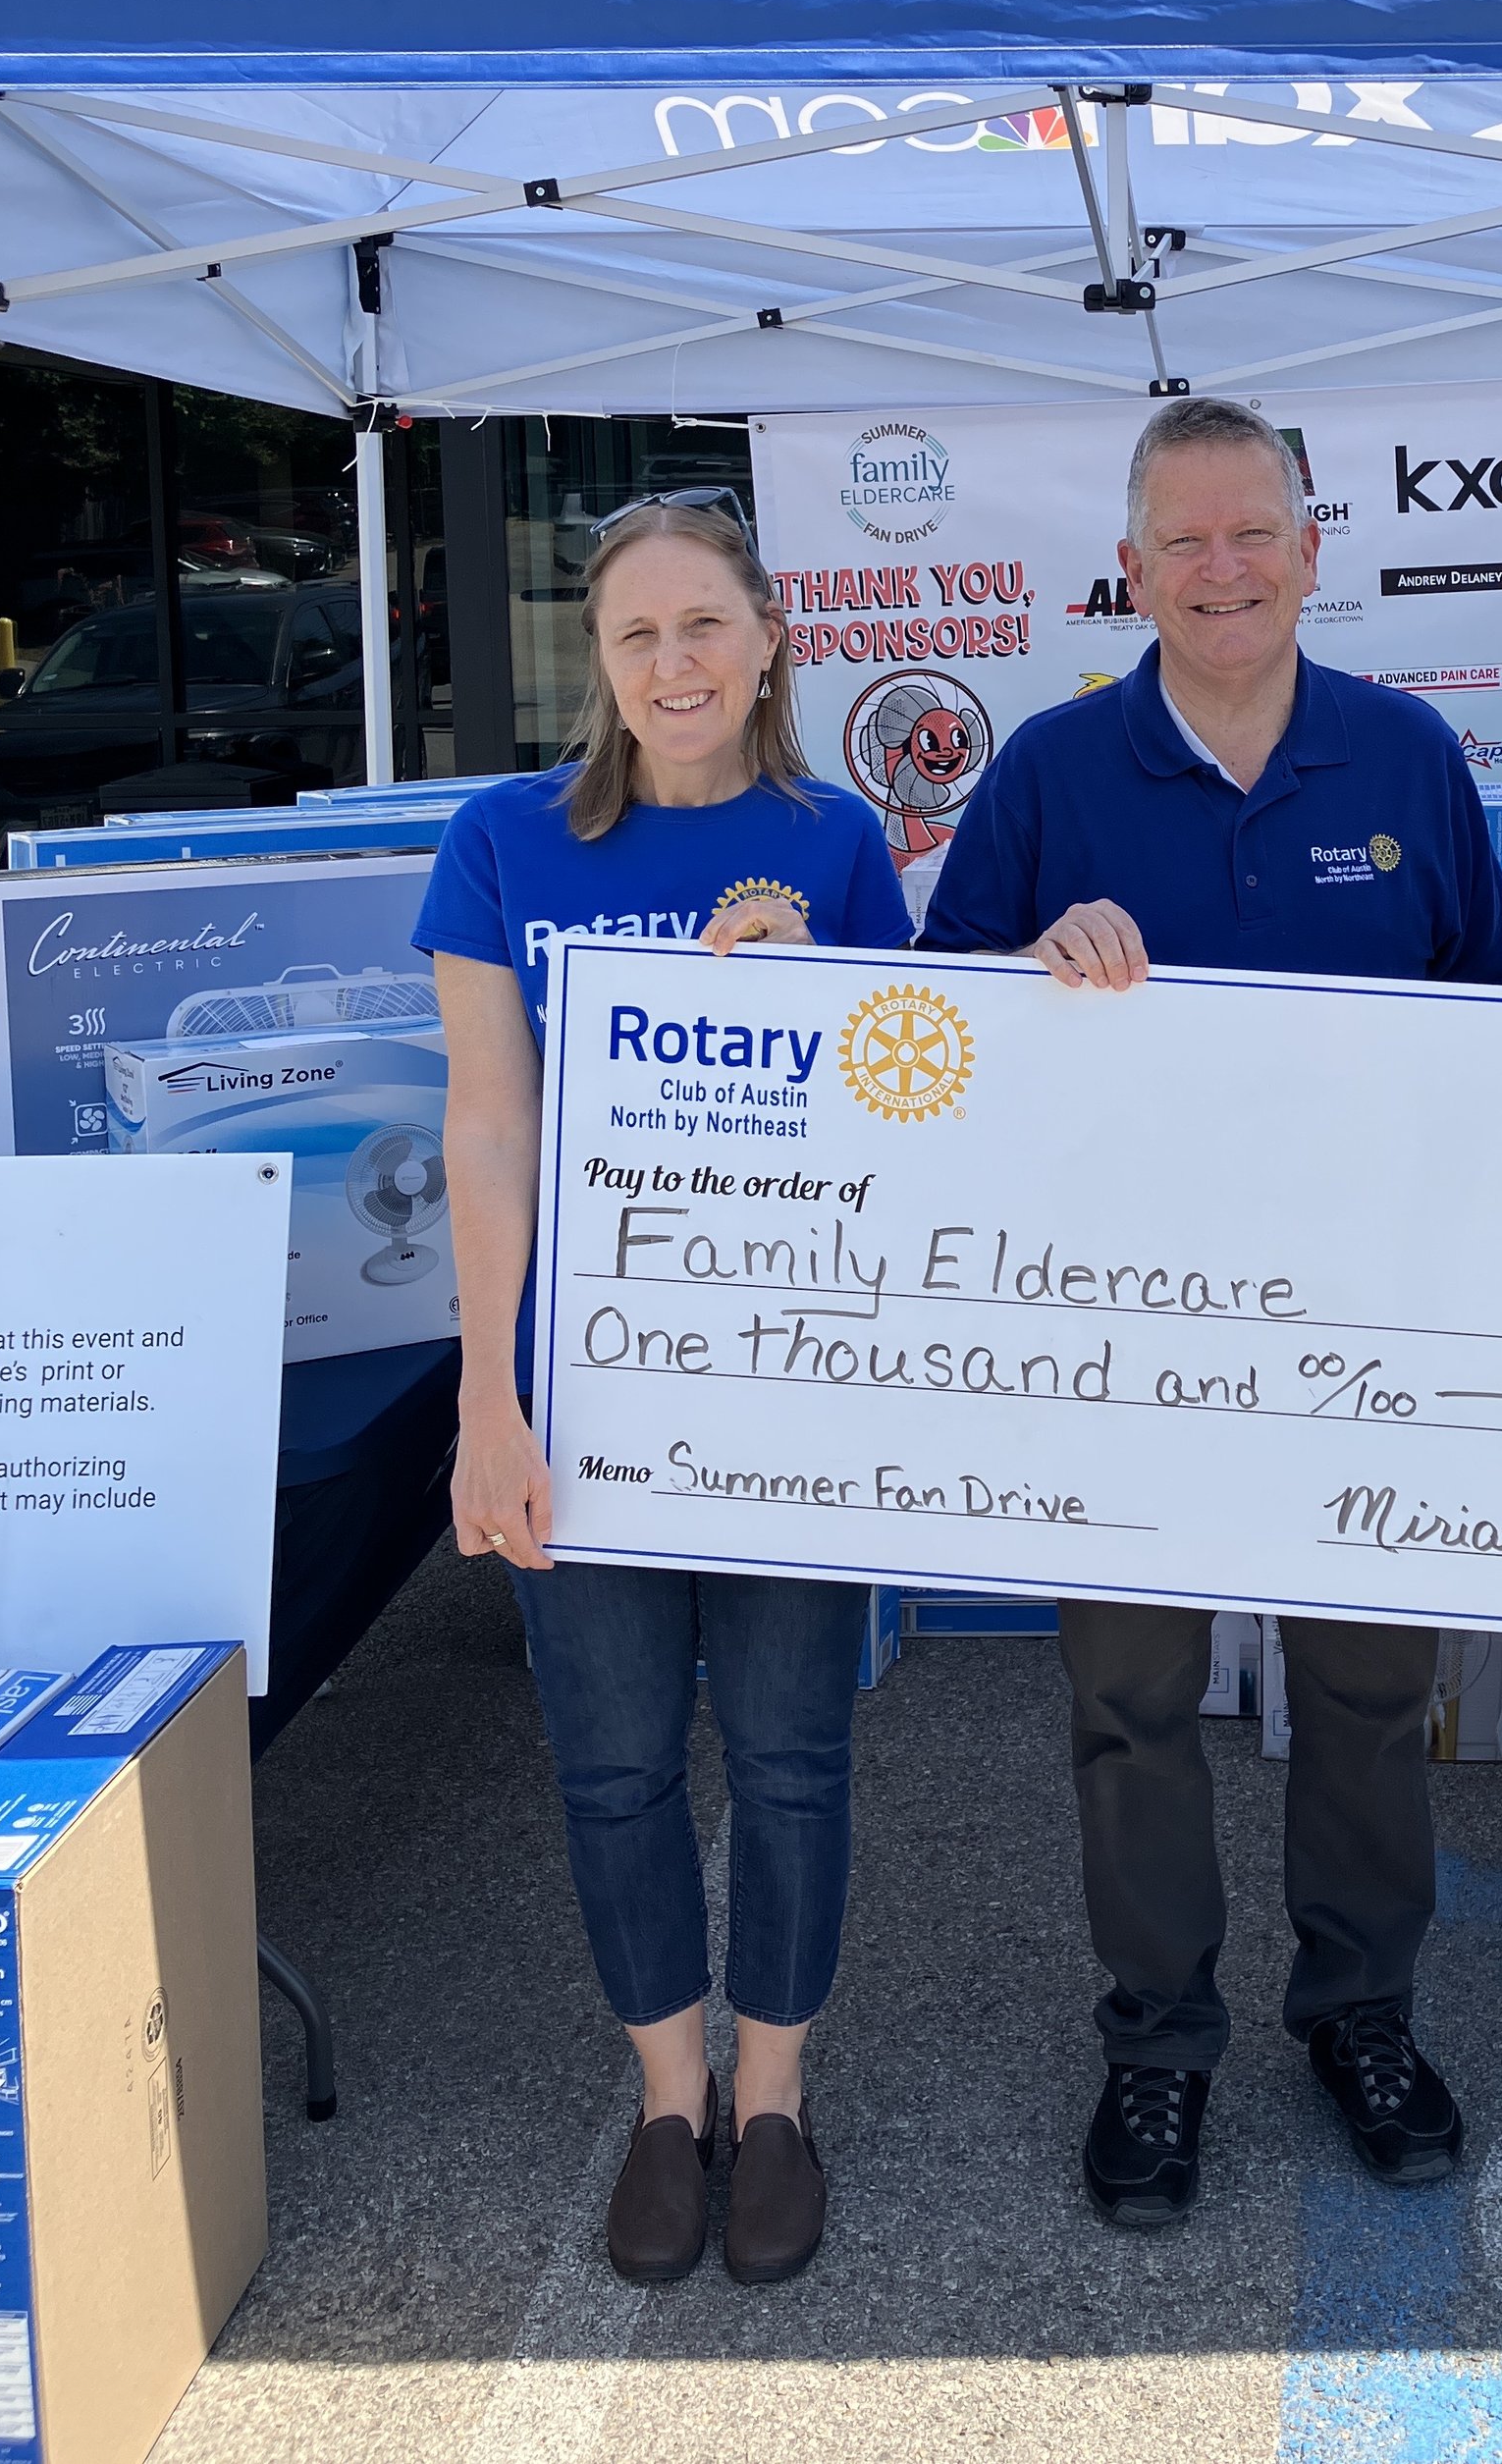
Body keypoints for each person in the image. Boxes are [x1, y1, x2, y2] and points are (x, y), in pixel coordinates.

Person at [919, 393, 1502, 2226]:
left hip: (1367, 1331)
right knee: (1131, 1703)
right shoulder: (1049, 771)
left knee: (1368, 1689)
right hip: (1130, 1344)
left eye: (1253, 530)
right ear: (1131, 566)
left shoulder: (1406, 758)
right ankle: (1160, 2039)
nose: (1222, 566)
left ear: (1311, 547)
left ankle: (1361, 2012)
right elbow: (932, 1040)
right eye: (1182, 539)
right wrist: (1027, 967)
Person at [416, 492, 911, 2290]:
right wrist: (488, 1400)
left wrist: (817, 999)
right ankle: (666, 2096)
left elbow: (909, 1112)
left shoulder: (839, 843)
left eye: (705, 622)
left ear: (769, 638)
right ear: (601, 662)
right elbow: (489, 1127)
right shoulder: (503, 839)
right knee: (615, 1766)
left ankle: (773, 2099)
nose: (673, 660)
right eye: (637, 632)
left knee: (790, 1757)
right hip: (583, 1397)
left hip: (786, 1395)